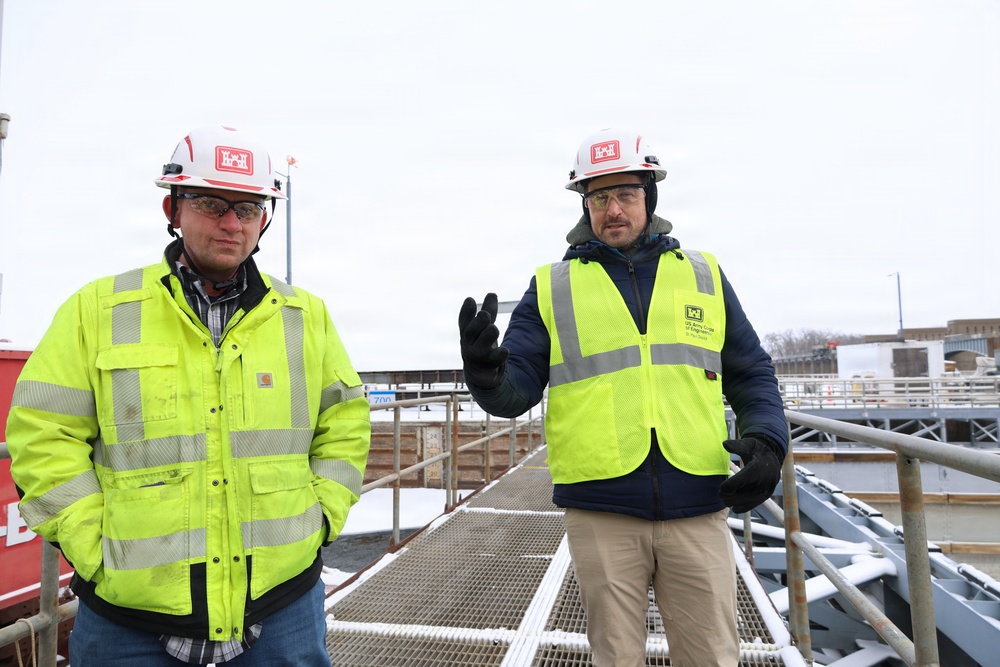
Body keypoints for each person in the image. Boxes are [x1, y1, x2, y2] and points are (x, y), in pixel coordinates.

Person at [7, 125, 371, 666]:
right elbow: (43, 436)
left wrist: (320, 520)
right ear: (172, 208)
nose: (231, 222)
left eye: (248, 208)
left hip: (281, 609)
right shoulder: (97, 311)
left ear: (264, 219)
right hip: (127, 621)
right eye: (210, 203)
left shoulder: (305, 317)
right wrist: (92, 549)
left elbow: (344, 423)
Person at [458, 127, 788, 667]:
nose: (614, 209)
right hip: (602, 510)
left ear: (649, 197)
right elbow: (515, 389)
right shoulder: (553, 286)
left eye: (626, 194)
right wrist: (486, 376)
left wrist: (769, 443)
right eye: (600, 197)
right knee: (616, 658)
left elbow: (751, 373)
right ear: (584, 205)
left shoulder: (703, 276)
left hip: (699, 503)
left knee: (712, 656)